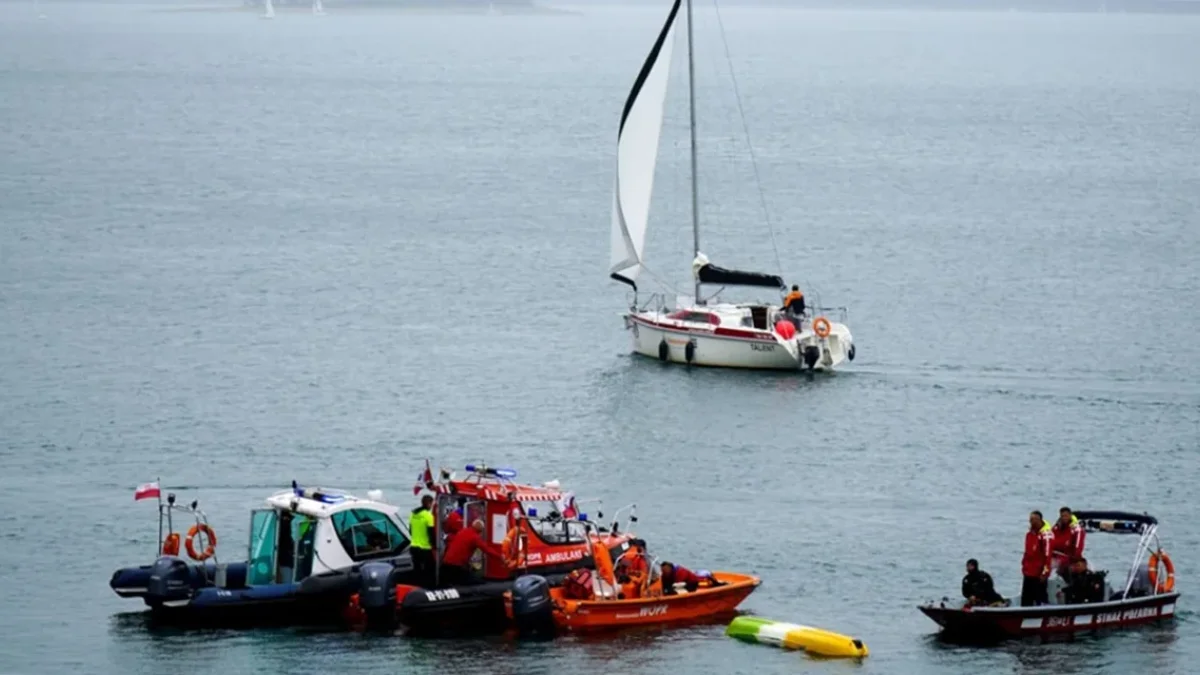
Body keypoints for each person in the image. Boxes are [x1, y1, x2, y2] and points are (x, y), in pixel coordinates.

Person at [440, 519, 502, 587]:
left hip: (446, 565)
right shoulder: (475, 537)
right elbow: (487, 550)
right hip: (456, 567)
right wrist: (500, 557)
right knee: (478, 582)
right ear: (480, 530)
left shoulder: (462, 531)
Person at [1021, 510, 1053, 607]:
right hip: (1028, 572)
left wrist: (1045, 573)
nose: (1032, 521)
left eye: (1035, 519)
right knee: (1026, 599)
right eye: (1031, 519)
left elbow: (1048, 556)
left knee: (1041, 598)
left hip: (1039, 574)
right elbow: (1027, 553)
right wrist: (1024, 566)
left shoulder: (1046, 535)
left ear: (1040, 520)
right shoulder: (1029, 534)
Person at [409, 495, 436, 587]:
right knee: (430, 569)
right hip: (425, 548)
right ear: (428, 503)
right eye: (431, 503)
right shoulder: (428, 516)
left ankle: (417, 587)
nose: (432, 506)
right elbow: (431, 533)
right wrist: (435, 545)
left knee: (417, 570)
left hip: (413, 546)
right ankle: (429, 588)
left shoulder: (413, 514)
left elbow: (410, 530)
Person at [1051, 506, 1086, 577]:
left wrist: (1075, 560)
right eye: (1062, 516)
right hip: (1055, 556)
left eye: (1066, 516)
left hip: (1068, 559)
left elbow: (1078, 547)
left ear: (1070, 515)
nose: (1064, 518)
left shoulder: (1077, 530)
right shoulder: (1056, 528)